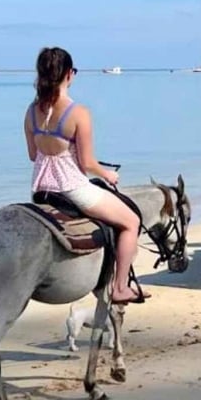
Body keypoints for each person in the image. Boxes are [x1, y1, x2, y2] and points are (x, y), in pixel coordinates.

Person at [24, 47, 145, 304]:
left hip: (41, 189)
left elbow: (34, 155)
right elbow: (87, 162)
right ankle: (120, 287)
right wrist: (108, 175)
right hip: (72, 189)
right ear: (69, 74)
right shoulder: (78, 113)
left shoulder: (31, 111)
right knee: (131, 222)